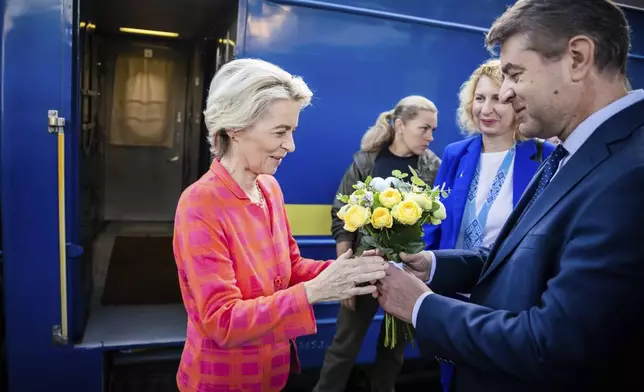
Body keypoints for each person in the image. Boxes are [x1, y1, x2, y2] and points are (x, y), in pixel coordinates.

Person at [375, 1, 644, 391]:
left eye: (514, 73)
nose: (505, 93)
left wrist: (421, 306)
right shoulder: (578, 154)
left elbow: (553, 346)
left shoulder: (631, 174)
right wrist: (433, 266)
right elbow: (518, 254)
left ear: (578, 58)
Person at [172, 58, 389, 392]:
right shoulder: (199, 204)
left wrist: (351, 271)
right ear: (235, 128)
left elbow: (290, 268)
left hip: (274, 372)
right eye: (280, 132)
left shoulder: (268, 187)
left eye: (292, 131)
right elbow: (222, 320)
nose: (291, 145)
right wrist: (315, 291)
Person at [422, 58, 554, 391]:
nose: (487, 108)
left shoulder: (544, 155)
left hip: (508, 294)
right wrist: (421, 263)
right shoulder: (456, 153)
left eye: (497, 98)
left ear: (515, 102)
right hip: (453, 289)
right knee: (452, 376)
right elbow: (433, 218)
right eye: (480, 98)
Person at [314, 96, 441, 392]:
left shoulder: (433, 167)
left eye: (433, 130)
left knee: (394, 351)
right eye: (424, 128)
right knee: (343, 348)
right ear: (400, 125)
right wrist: (344, 275)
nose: (430, 137)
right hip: (363, 269)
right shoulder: (367, 161)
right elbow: (342, 218)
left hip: (408, 273)